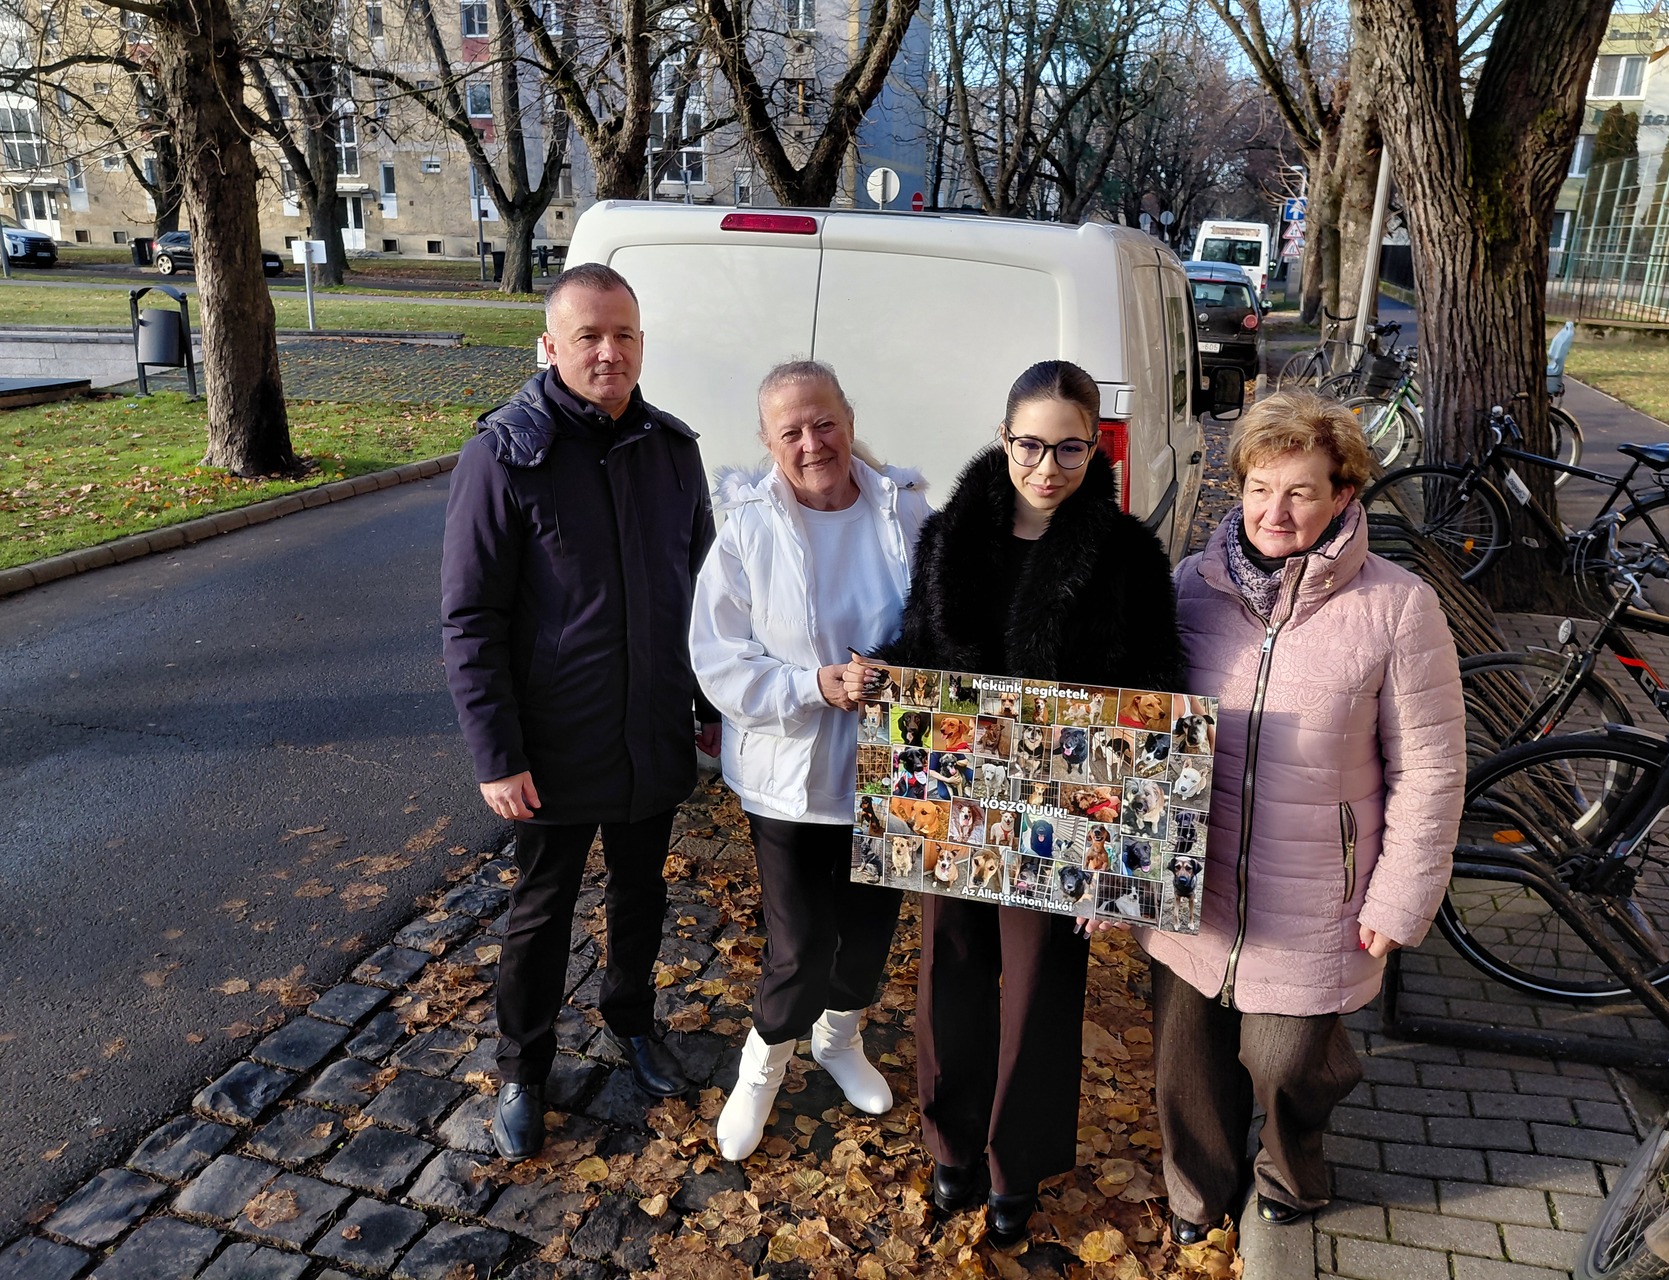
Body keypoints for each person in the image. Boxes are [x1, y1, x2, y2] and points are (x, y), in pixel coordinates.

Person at [846, 360, 1182, 1246]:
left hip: (1066, 816)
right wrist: (882, 673)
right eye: (1030, 444)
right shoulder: (949, 536)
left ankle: (1015, 1165)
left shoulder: (1126, 556)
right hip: (956, 798)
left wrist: (1125, 862)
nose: (1046, 467)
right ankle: (951, 1143)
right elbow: (923, 650)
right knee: (950, 968)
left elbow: (1153, 699)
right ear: (1003, 438)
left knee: (1038, 987)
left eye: (1069, 448)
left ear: (1094, 447)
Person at [1140, 389, 1465, 1240]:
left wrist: (1401, 896)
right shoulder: (1190, 587)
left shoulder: (1397, 607)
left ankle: (1291, 1171)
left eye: (1299, 492)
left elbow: (1431, 768)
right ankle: (1197, 1195)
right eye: (1257, 488)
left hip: (1317, 891)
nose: (1273, 512)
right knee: (1186, 1063)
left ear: (1342, 495)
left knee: (1285, 1063)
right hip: (1195, 879)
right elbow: (1142, 731)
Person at [441, 263, 722, 1161]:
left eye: (623, 334)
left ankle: (630, 1020)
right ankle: (523, 1067)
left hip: (649, 727)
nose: (609, 352)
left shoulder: (671, 451)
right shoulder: (503, 455)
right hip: (552, 741)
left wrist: (706, 705)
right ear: (549, 347)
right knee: (542, 908)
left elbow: (702, 595)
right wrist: (496, 753)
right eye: (588, 336)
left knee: (641, 892)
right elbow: (471, 616)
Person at [690, 360, 931, 1161]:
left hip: (891, 773)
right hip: (787, 780)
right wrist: (814, 685)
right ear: (766, 442)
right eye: (789, 430)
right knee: (798, 948)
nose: (811, 442)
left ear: (849, 420)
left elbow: (944, 622)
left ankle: (838, 1039)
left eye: (823, 422)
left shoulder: (906, 512)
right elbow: (718, 660)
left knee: (867, 936)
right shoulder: (747, 529)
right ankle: (760, 1071)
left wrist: (905, 668)